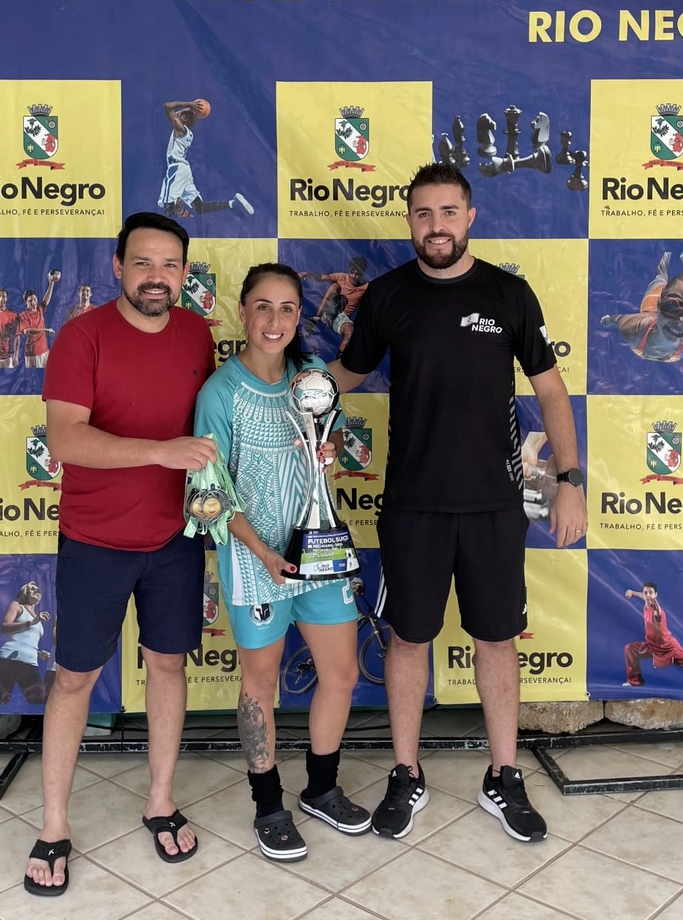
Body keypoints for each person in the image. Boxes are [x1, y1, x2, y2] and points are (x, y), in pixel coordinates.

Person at [328, 163, 587, 844]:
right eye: (423, 213)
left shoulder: (508, 292)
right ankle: (405, 773)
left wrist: (570, 481)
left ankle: (503, 775)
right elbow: (347, 373)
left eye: (448, 212)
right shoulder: (388, 295)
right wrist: (279, 396)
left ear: (469, 217)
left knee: (496, 639)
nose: (435, 225)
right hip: (412, 503)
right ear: (409, 221)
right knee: (408, 639)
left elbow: (551, 389)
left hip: (495, 504)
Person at [24, 212, 217, 896]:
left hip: (175, 540)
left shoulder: (197, 333)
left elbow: (215, 424)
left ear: (184, 273)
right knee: (74, 680)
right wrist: (160, 452)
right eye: (143, 262)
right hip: (95, 542)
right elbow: (66, 440)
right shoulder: (82, 336)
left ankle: (160, 801)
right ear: (117, 267)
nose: (156, 277)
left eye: (169, 265)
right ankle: (53, 824)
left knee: (168, 666)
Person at [194, 263, 370, 863]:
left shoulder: (312, 376)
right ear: (243, 312)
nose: (275, 320)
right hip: (255, 562)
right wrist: (264, 553)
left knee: (341, 675)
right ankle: (268, 804)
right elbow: (208, 495)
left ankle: (321, 789)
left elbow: (334, 449)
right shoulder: (219, 393)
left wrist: (330, 449)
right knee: (260, 684)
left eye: (288, 308)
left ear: (300, 316)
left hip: (318, 554)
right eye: (263, 307)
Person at [600, 251, 683, 362]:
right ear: (658, 305)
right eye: (672, 307)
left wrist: (608, 321)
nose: (681, 321)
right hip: (651, 301)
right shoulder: (632, 329)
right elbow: (618, 319)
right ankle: (667, 254)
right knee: (660, 277)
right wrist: (608, 320)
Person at [157, 99, 254, 218]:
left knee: (168, 209)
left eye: (181, 114)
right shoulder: (187, 133)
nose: (179, 113)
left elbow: (167, 106)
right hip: (184, 170)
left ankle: (177, 210)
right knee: (200, 207)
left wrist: (188, 104)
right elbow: (175, 113)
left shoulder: (181, 130)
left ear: (185, 120)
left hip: (176, 168)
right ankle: (233, 203)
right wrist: (191, 110)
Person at [623, 583, 683, 686]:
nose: (648, 595)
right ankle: (634, 681)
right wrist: (632, 593)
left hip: (669, 649)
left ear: (655, 595)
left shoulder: (657, 612)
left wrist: (656, 607)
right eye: (645, 593)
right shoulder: (646, 601)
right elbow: (644, 596)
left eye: (650, 593)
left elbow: (657, 610)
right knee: (630, 649)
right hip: (653, 647)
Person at [0, 582, 52, 705]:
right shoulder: (17, 606)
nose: (36, 591)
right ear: (25, 593)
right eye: (32, 589)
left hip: (30, 663)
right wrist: (31, 623)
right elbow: (4, 627)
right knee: (0, 702)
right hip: (8, 660)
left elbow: (26, 640)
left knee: (39, 702)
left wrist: (38, 653)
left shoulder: (38, 620)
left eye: (38, 590)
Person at [300, 257, 371, 354]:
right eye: (352, 272)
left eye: (357, 274)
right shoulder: (342, 277)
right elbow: (324, 277)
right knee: (335, 286)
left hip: (341, 319)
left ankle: (340, 357)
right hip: (329, 311)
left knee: (350, 330)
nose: (353, 276)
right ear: (349, 270)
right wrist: (307, 274)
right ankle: (315, 319)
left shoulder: (366, 286)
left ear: (362, 273)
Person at [18, 273, 58, 368]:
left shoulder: (39, 309)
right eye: (30, 301)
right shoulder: (24, 315)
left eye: (35, 300)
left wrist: (51, 284)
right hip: (33, 354)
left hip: (44, 351)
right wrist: (44, 330)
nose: (33, 303)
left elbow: (46, 301)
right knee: (34, 376)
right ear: (26, 302)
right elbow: (27, 331)